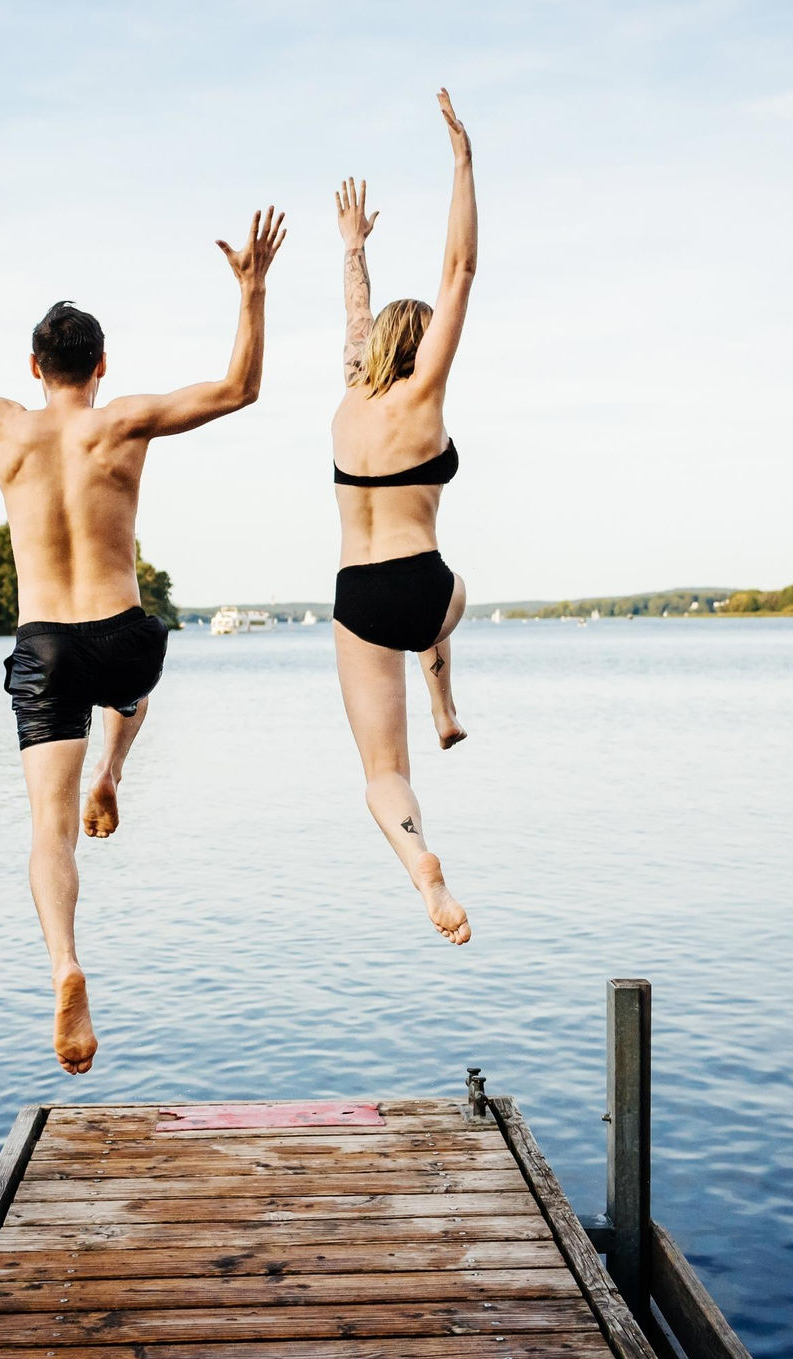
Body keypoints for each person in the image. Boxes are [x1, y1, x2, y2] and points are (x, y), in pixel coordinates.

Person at [0, 208, 287, 1072]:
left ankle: (64, 962)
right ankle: (115, 766)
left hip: (43, 641)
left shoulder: (3, 425)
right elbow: (239, 388)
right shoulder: (121, 420)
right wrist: (253, 288)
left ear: (32, 367)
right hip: (120, 634)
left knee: (48, 830)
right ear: (98, 367)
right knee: (139, 670)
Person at [329, 90, 475, 946]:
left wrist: (352, 247)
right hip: (427, 587)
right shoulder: (426, 397)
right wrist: (461, 164)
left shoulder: (352, 396)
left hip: (358, 597)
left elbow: (357, 313)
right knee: (454, 598)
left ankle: (424, 866)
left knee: (383, 772)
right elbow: (458, 273)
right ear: (422, 348)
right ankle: (444, 698)